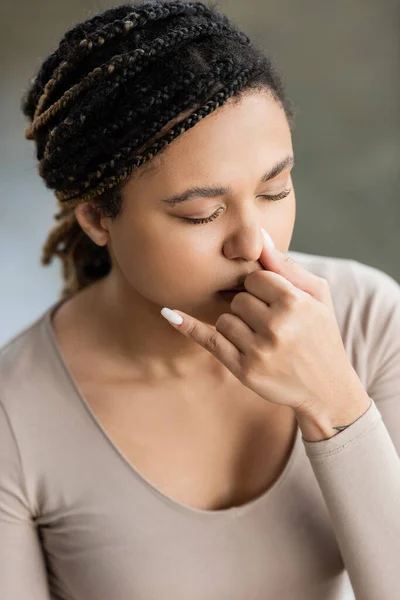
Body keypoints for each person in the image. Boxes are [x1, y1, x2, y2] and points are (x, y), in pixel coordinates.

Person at [1, 1, 399, 598]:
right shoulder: (15, 415)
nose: (252, 242)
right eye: (201, 214)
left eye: (275, 190)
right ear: (95, 216)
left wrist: (335, 404)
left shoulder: (369, 317)